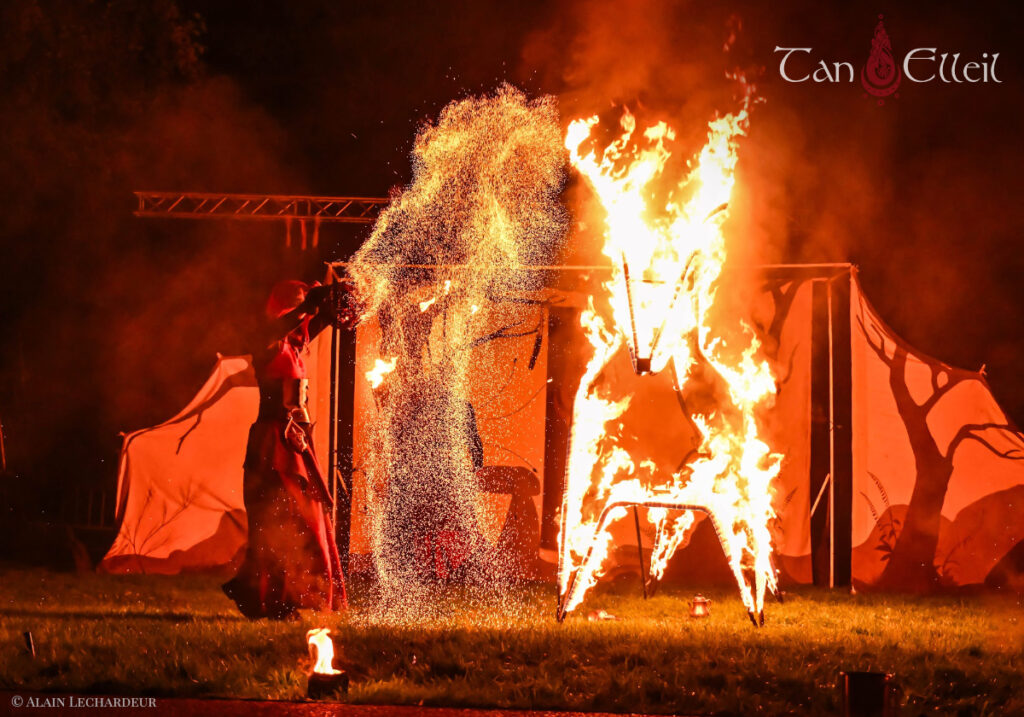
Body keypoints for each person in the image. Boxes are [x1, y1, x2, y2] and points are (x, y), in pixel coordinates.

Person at [223, 279, 357, 619]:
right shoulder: (268, 341)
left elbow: (317, 321)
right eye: (298, 307)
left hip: (294, 438)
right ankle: (271, 599)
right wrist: (308, 306)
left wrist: (332, 305)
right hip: (273, 440)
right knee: (280, 518)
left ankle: (278, 597)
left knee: (301, 518)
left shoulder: (295, 342)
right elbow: (283, 327)